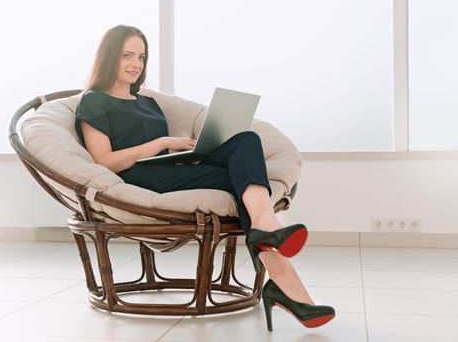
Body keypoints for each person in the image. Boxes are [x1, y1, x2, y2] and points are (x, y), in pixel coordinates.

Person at [75, 24, 335, 331]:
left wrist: (194, 153)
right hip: (140, 175)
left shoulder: (148, 102)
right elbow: (104, 160)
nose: (136, 64)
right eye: (127, 55)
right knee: (242, 179)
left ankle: (267, 234)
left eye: (142, 57)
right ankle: (286, 283)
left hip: (171, 167)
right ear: (109, 57)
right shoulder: (94, 100)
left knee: (246, 140)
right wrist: (161, 144)